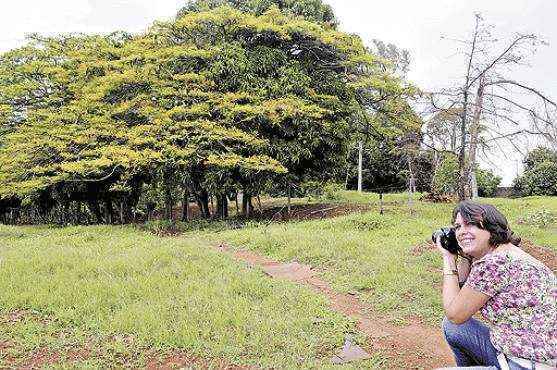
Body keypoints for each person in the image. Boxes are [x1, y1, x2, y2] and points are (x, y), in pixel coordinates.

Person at [434, 200, 556, 370]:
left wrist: (448, 259)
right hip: (532, 351)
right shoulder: (507, 252)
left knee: (453, 322)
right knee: (453, 327)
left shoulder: (494, 264)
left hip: (526, 364)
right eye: (458, 227)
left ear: (492, 227)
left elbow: (455, 313)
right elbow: (461, 298)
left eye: (471, 224)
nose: (462, 232)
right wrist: (464, 255)